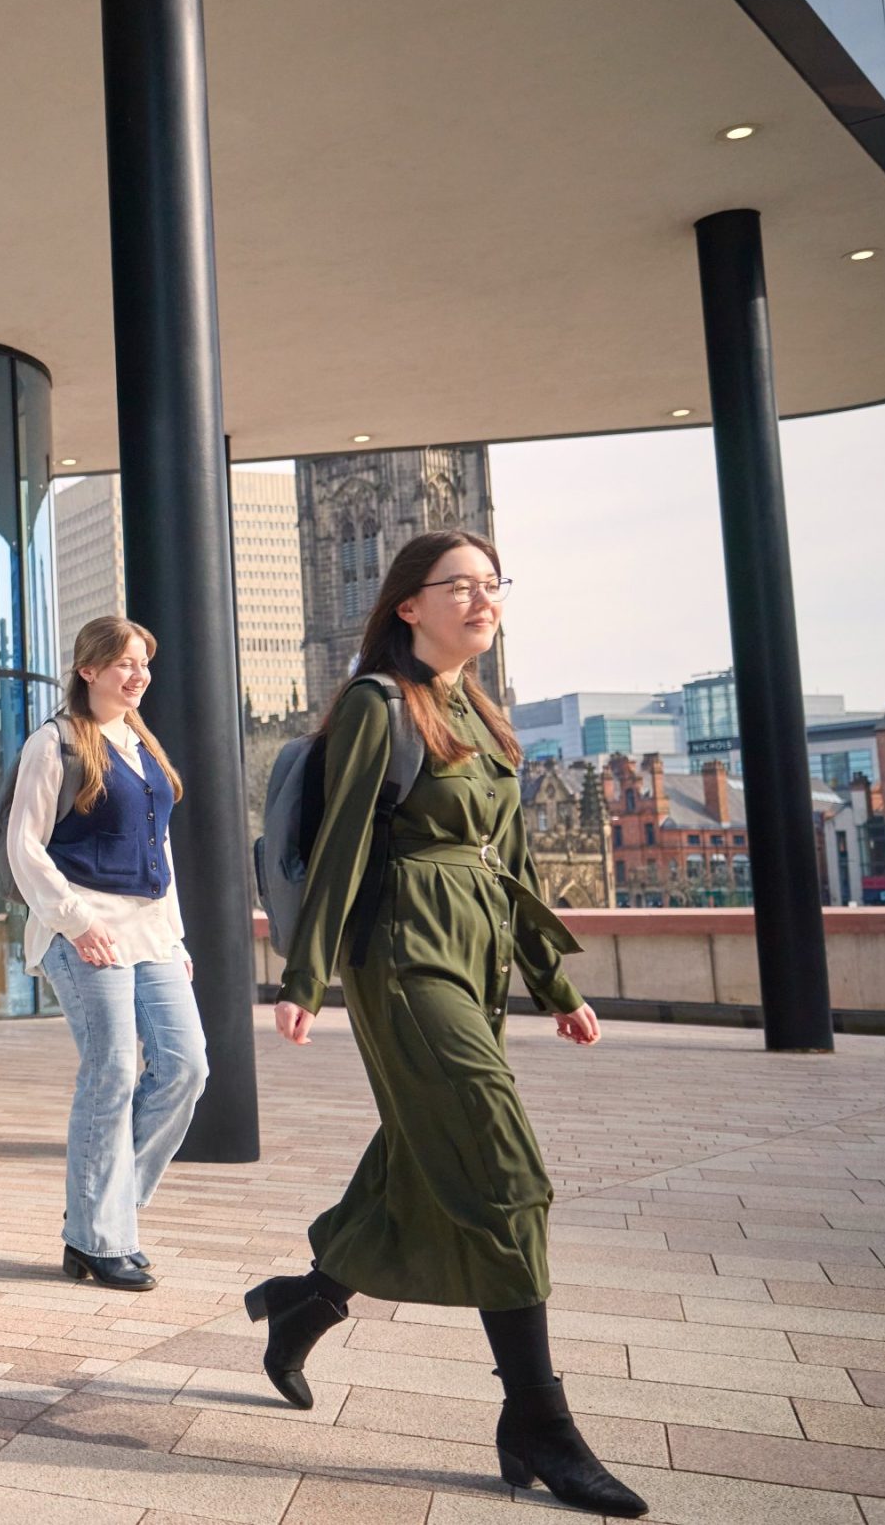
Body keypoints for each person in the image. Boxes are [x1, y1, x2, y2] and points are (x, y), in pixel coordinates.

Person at [247, 531, 644, 1518]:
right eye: (456, 586)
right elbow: (339, 847)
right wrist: (303, 979)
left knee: (427, 1152)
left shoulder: (482, 716)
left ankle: (306, 1302)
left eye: (491, 585)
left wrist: (556, 984)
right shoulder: (380, 707)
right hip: (402, 953)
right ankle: (538, 1419)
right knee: (503, 1171)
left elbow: (509, 871)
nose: (480, 600)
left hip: (476, 961)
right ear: (407, 607)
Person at [7, 615, 209, 1292]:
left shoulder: (142, 746)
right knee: (114, 1070)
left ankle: (101, 1212)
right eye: (124, 663)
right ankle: (98, 1237)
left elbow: (163, 853)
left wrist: (174, 936)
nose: (138, 674)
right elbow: (25, 845)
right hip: (85, 926)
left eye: (144, 663)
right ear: (88, 669)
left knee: (185, 1067)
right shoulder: (55, 742)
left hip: (150, 931)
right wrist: (73, 919)